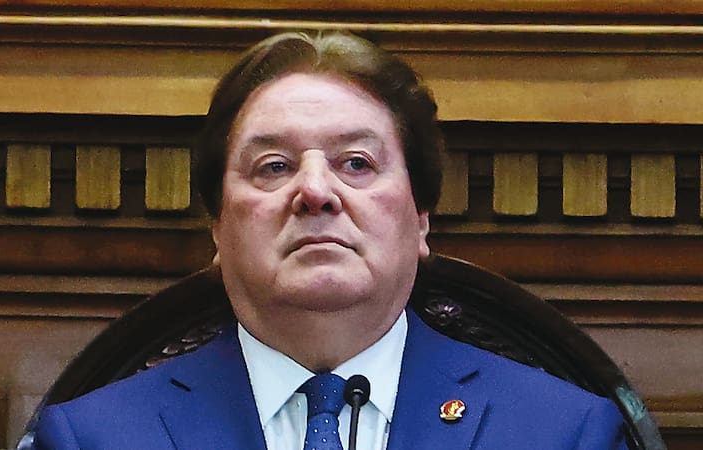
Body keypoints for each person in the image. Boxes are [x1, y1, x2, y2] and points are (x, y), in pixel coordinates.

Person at [33, 31, 628, 449]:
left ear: (420, 218)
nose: (315, 191)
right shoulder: (94, 438)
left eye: (356, 163)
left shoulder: (561, 432)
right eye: (273, 166)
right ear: (219, 228)